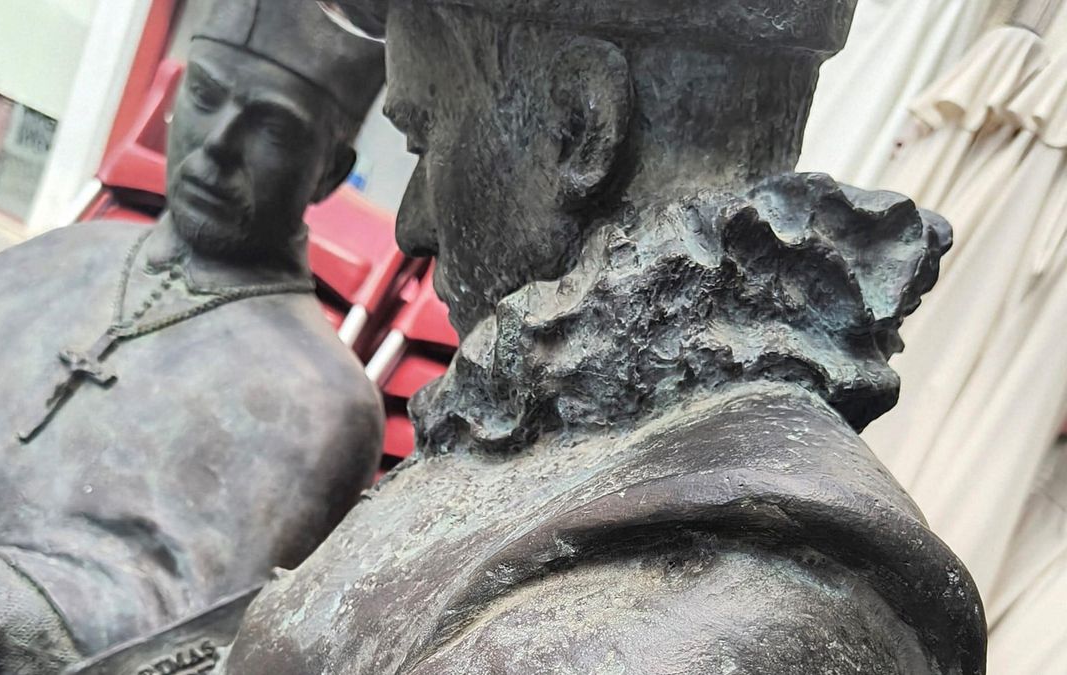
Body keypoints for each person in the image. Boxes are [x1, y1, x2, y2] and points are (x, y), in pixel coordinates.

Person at [219, 0, 987, 672]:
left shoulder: (745, 593)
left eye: (423, 140)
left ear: (578, 127)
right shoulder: (552, 426)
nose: (411, 224)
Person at [0, 0, 384, 672]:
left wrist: (25, 613)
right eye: (204, 95)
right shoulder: (80, 248)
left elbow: (202, 633)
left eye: (272, 128)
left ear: (329, 172)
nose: (216, 144)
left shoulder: (324, 400)